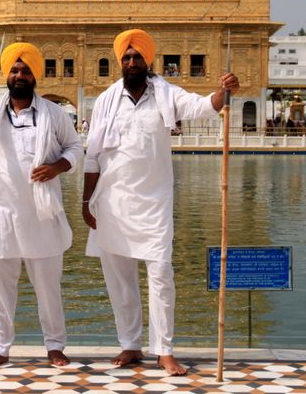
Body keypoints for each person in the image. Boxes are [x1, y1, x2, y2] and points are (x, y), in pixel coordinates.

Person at [81, 29, 239, 376]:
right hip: (111, 202)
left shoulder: (166, 94)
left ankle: (164, 350)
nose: (132, 62)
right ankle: (130, 345)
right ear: (120, 61)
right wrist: (85, 200)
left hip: (154, 202)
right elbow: (92, 155)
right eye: (127, 57)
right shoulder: (108, 98)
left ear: (148, 60)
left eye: (138, 57)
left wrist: (224, 93)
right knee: (119, 279)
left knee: (161, 274)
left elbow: (202, 106)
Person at [0, 42, 82, 370]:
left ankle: (55, 345)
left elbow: (76, 148)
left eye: (25, 70)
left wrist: (56, 168)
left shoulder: (54, 114)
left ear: (34, 75)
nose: (19, 75)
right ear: (6, 75)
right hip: (0, 212)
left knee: (48, 287)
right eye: (14, 69)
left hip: (41, 213)